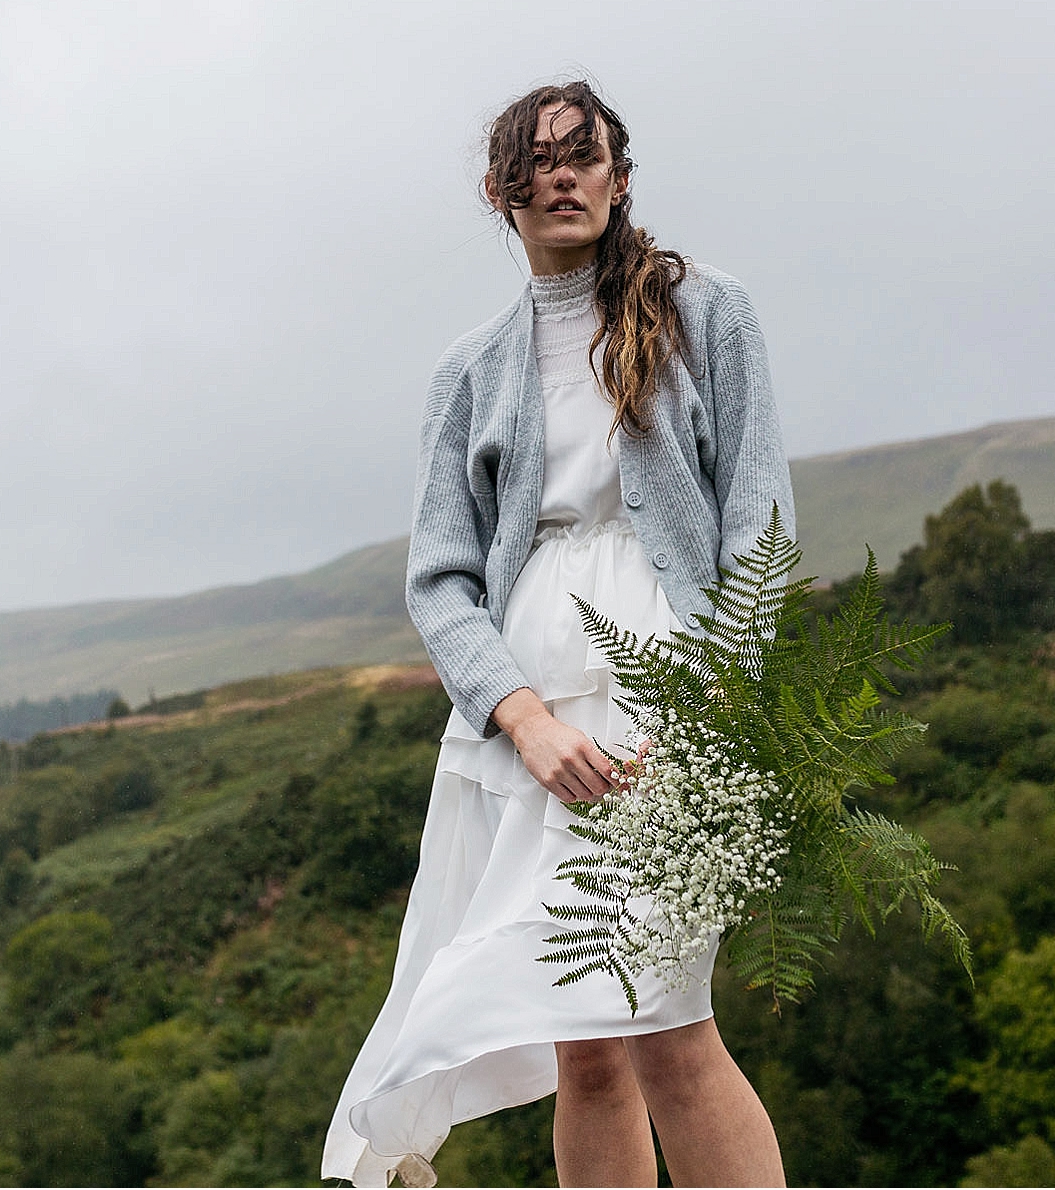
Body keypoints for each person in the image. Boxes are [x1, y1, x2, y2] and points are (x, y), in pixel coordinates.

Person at [322, 80, 794, 1189]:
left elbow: (759, 525)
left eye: (585, 154)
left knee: (671, 1023)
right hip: (528, 728)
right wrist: (519, 719)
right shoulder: (469, 369)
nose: (563, 175)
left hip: (670, 708)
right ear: (502, 192)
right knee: (583, 1043)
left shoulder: (709, 313)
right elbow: (439, 579)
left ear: (619, 177)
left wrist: (710, 712)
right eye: (539, 161)